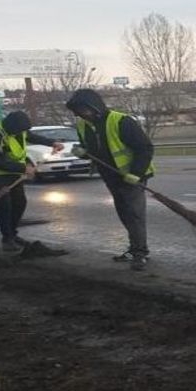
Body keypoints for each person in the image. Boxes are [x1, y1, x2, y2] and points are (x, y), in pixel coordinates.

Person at [65, 89, 155, 271]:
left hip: (132, 177)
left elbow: (145, 148)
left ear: (94, 106)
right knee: (124, 214)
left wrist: (136, 173)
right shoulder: (83, 126)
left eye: (83, 109)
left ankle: (140, 253)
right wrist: (83, 153)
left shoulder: (121, 121)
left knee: (134, 215)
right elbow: (90, 150)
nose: (81, 114)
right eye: (78, 111)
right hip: (111, 177)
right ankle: (134, 249)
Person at [0, 111, 64, 251]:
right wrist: (23, 167)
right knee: (4, 206)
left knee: (20, 203)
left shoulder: (19, 131)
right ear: (11, 126)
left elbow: (32, 137)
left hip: (14, 173)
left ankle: (13, 233)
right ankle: (7, 239)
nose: (21, 133)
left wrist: (51, 143)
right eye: (19, 130)